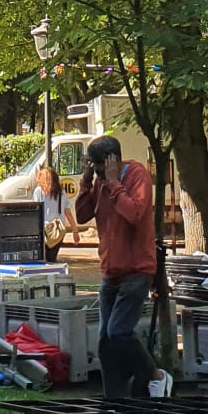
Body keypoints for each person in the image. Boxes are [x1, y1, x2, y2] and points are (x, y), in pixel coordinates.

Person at [75, 136, 169, 399]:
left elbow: (134, 214)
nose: (98, 173)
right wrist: (86, 181)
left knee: (119, 331)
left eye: (100, 167)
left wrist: (115, 183)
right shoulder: (100, 183)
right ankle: (114, 398)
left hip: (137, 269)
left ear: (112, 161)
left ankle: (156, 375)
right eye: (93, 168)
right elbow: (82, 215)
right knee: (105, 340)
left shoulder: (137, 175)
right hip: (111, 270)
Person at [33, 163, 72, 258]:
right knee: (52, 258)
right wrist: (75, 230)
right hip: (58, 230)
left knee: (41, 258)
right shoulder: (62, 192)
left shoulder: (39, 191)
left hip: (44, 230)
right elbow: (68, 212)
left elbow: (35, 211)